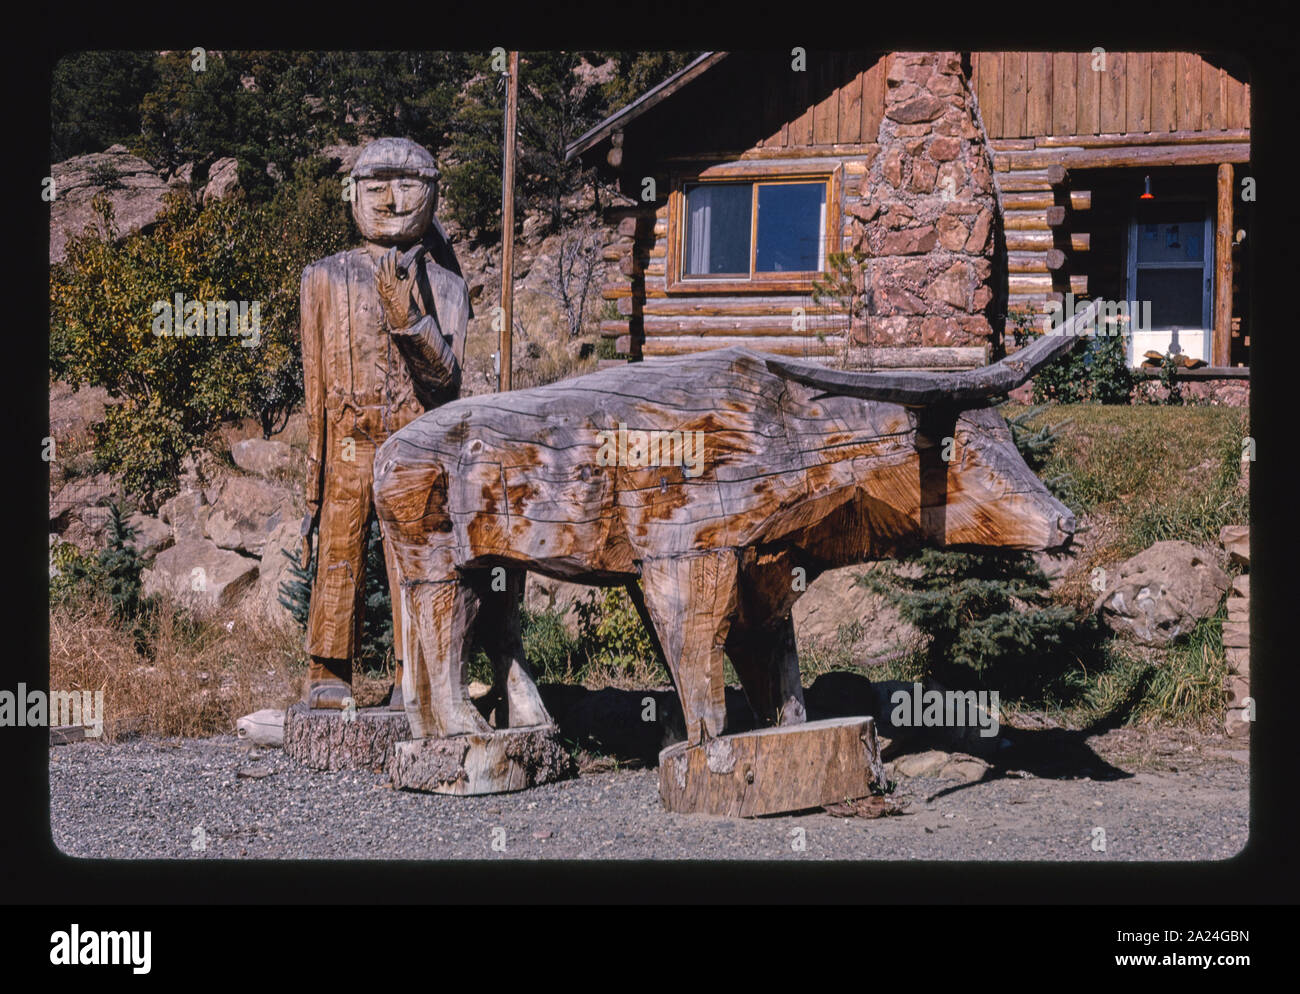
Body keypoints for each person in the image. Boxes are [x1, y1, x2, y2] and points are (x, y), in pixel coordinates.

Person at [299, 137, 470, 710]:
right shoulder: (323, 278)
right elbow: (314, 390)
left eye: (407, 187)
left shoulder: (446, 287)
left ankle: (413, 672)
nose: (393, 201)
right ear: (354, 194)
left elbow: (447, 383)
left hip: (414, 443)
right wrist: (311, 482)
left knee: (412, 558)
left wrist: (409, 317)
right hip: (346, 441)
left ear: (432, 193)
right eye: (377, 188)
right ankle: (328, 670)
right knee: (339, 551)